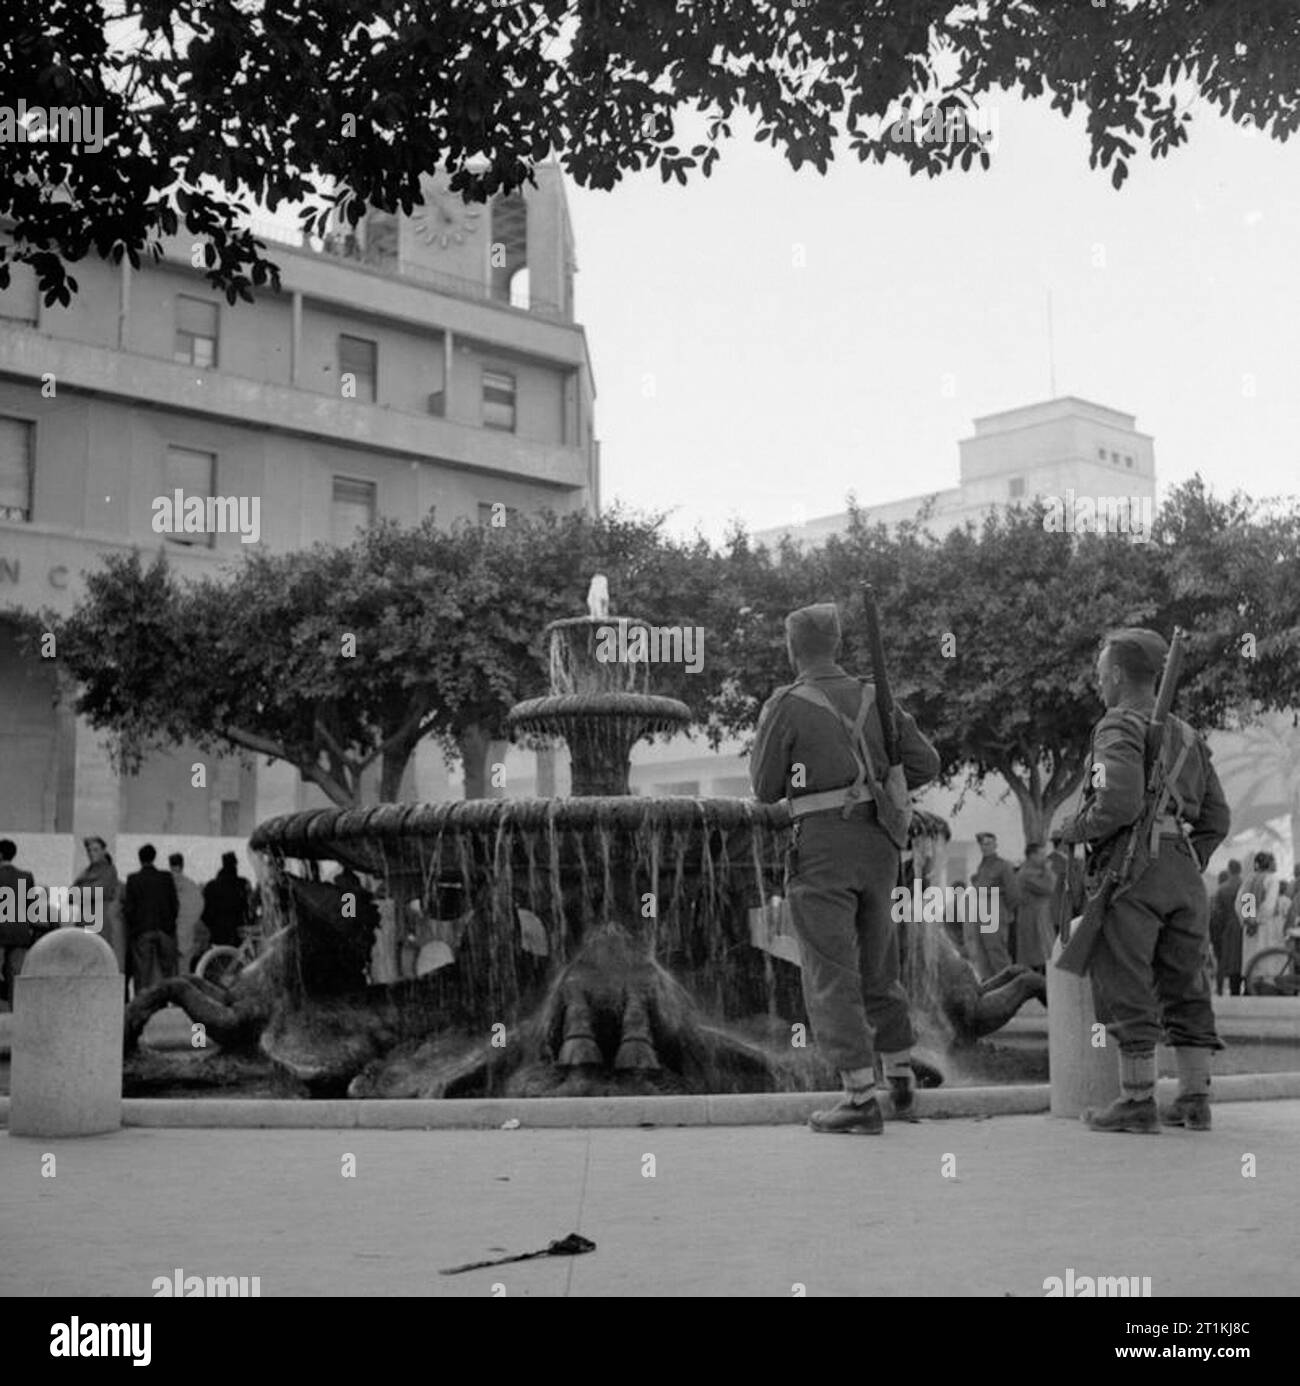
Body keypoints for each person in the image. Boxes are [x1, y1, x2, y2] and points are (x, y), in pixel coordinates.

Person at [750, 600, 941, 1134]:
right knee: (881, 963)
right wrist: (886, 770)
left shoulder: (787, 704)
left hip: (822, 850)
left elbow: (765, 790)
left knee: (831, 972)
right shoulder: (875, 697)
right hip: (880, 847)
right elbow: (927, 763)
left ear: (793, 648)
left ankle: (859, 1099)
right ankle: (900, 1076)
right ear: (835, 645)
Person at [1059, 628, 1230, 1134]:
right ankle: (1195, 1100)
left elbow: (1116, 803)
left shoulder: (1115, 727)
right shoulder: (1189, 735)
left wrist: (1071, 828)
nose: (1097, 684)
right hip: (1183, 873)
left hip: (1131, 871)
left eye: (1098, 675)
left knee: (1126, 980)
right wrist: (1181, 856)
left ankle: (1136, 1101)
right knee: (1186, 983)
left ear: (1114, 676)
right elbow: (1216, 818)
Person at [122, 843, 179, 992]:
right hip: (165, 930)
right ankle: (167, 1001)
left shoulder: (133, 879)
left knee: (142, 973)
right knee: (167, 972)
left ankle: (142, 1003)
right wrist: (170, 925)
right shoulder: (166, 877)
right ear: (154, 857)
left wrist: (133, 929)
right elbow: (175, 905)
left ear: (140, 859)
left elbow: (129, 909)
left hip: (143, 931)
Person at [73, 837, 125, 991]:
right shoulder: (85, 872)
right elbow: (70, 894)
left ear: (103, 851)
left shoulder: (109, 870)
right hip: (84, 922)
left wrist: (82, 890)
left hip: (99, 922)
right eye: (89, 850)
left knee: (99, 963)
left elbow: (102, 890)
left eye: (95, 849)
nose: (91, 853)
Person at [968, 832, 1017, 979]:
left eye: (989, 844)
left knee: (996, 952)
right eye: (983, 844)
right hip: (981, 910)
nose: (985, 847)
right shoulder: (982, 866)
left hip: (995, 909)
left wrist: (1005, 913)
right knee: (983, 953)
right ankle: (990, 986)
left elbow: (1013, 893)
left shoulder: (1003, 866)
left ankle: (1008, 984)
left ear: (995, 845)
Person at [0, 839, 37, 1008]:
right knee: (16, 977)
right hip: (20, 933)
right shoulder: (26, 876)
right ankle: (17, 1014)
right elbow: (32, 907)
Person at [1237, 851, 1283, 982]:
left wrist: (1250, 920)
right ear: (1269, 863)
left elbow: (1241, 902)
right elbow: (1269, 905)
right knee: (1266, 960)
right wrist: (1258, 920)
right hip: (1266, 926)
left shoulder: (1250, 879)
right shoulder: (1272, 879)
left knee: (1252, 958)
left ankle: (1252, 985)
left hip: (1251, 927)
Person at [1014, 842, 1055, 972]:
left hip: (1040, 917)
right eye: (1041, 854)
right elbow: (1049, 888)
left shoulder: (1036, 871)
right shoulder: (1027, 874)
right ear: (1032, 856)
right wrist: (1048, 870)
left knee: (1042, 955)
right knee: (1038, 956)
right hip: (1033, 919)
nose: (1045, 857)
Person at [201, 852, 253, 948]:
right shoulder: (243, 884)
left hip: (216, 935)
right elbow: (250, 910)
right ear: (236, 864)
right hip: (238, 936)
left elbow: (203, 913)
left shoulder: (210, 886)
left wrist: (212, 926)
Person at [1209, 858, 1243, 996]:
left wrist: (1215, 934)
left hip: (1226, 929)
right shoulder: (1246, 886)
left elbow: (1216, 914)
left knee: (1223, 960)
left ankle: (1219, 989)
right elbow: (1249, 912)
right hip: (1242, 928)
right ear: (1240, 870)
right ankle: (1238, 989)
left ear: (1229, 870)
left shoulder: (1222, 889)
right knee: (1241, 959)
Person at [168, 853, 206, 972]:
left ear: (170, 865)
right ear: (182, 865)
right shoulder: (190, 885)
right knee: (184, 968)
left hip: (167, 932)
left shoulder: (164, 883)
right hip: (186, 933)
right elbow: (199, 906)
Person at [1047, 832, 1085, 940]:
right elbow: (1076, 888)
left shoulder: (1047, 860)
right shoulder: (1071, 863)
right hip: (1066, 910)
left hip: (1049, 912)